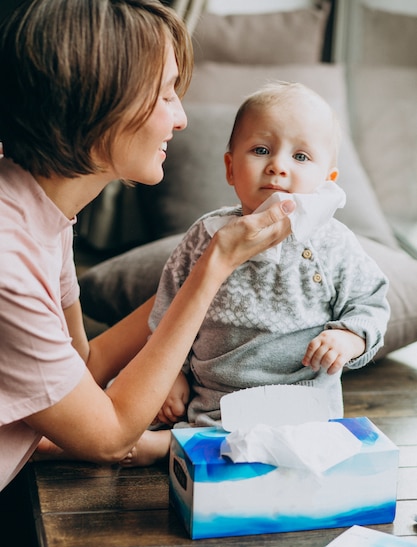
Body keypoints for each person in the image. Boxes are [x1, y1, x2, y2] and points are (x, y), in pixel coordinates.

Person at [0, 0, 296, 491]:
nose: (180, 119)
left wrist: (201, 272)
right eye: (164, 96)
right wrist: (213, 267)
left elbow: (84, 366)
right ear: (96, 101)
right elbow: (111, 434)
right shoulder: (9, 255)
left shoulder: (38, 212)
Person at [126, 80, 390, 464]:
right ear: (231, 168)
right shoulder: (207, 237)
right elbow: (170, 312)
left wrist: (350, 340)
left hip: (302, 401)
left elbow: (371, 304)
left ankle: (169, 449)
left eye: (301, 157)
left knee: (306, 448)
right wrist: (173, 376)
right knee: (214, 436)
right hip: (216, 398)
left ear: (326, 181)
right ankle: (180, 443)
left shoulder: (334, 244)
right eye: (261, 150)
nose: (278, 166)